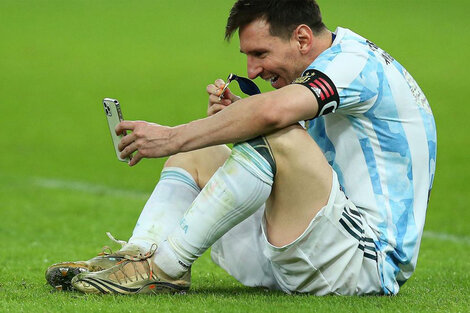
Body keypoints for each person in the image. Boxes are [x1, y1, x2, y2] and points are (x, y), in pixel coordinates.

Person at [45, 0, 436, 296]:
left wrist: (172, 136)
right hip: (316, 240)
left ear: (302, 37)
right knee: (197, 150)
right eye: (247, 57)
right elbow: (297, 144)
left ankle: (163, 267)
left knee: (270, 131)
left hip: (365, 261)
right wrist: (225, 124)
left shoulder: (354, 62)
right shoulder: (332, 68)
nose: (251, 71)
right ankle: (137, 256)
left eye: (260, 54)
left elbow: (275, 117)